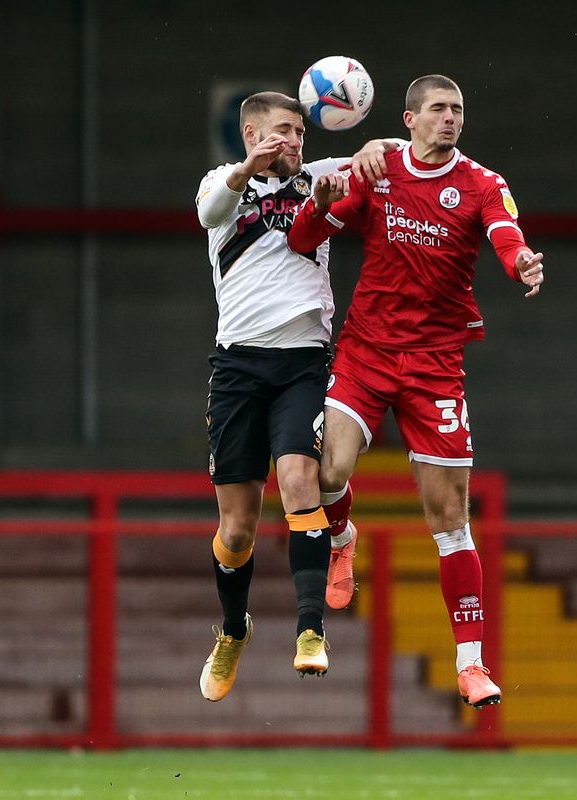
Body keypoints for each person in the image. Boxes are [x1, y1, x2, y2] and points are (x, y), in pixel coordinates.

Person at [288, 74, 545, 709]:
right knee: (328, 474)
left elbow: (504, 235)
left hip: (435, 365)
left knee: (449, 518)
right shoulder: (375, 172)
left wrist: (521, 263)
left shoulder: (484, 183)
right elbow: (302, 239)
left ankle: (471, 664)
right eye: (438, 109)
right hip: (367, 350)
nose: (450, 119)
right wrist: (322, 200)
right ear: (409, 119)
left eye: (458, 109)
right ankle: (344, 540)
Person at [195, 90, 402, 702]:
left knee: (298, 481)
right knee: (237, 528)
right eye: (282, 130)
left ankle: (310, 630)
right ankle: (234, 629)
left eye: (300, 133)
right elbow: (211, 212)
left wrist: (370, 146)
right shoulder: (221, 182)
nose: (294, 142)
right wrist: (247, 166)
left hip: (304, 363)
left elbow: (398, 154)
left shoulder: (320, 178)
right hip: (236, 365)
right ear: (253, 132)